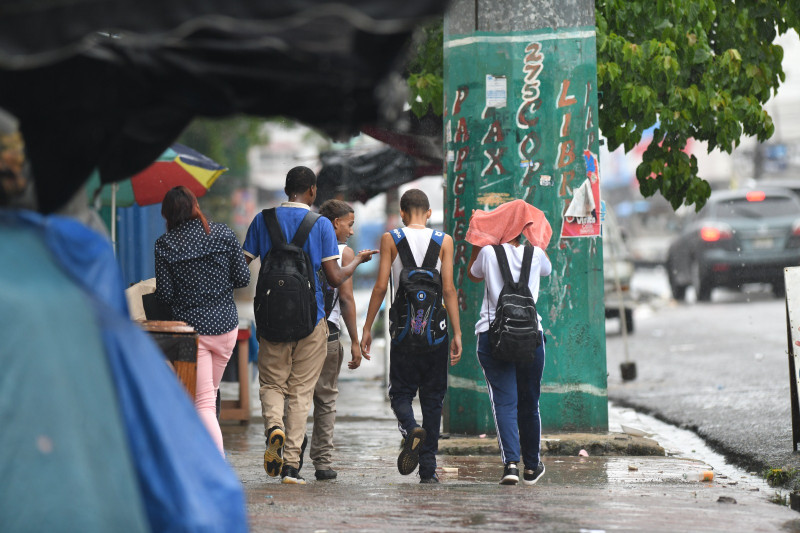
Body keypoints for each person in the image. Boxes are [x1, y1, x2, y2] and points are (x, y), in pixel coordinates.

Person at [243, 166, 376, 485]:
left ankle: (274, 426)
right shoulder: (320, 226)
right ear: (313, 192)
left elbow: (241, 265)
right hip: (311, 319)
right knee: (302, 393)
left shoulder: (263, 220)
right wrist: (355, 261)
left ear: (286, 188)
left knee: (272, 384)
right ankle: (291, 466)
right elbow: (334, 278)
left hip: (271, 318)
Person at [361, 188, 462, 483]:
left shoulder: (391, 239)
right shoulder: (444, 241)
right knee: (433, 398)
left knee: (400, 393)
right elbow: (449, 290)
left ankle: (409, 427)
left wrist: (366, 328)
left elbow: (380, 287)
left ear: (402, 214)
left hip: (404, 333)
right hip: (436, 335)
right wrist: (457, 333)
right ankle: (428, 472)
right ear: (429, 213)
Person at [154, 185, 251, 456]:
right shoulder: (222, 233)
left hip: (192, 333)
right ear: (195, 205)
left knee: (204, 402)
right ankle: (202, 457)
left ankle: (215, 468)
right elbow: (243, 278)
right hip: (226, 328)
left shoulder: (165, 244)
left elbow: (164, 295)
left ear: (168, 215)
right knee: (210, 394)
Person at [467, 231, 551, 486]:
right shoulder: (535, 254)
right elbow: (547, 270)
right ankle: (532, 467)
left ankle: (511, 465)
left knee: (504, 403)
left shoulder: (487, 252)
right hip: (530, 337)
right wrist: (536, 237)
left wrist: (478, 238)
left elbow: (473, 273)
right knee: (530, 402)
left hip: (493, 337)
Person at [298, 199, 367, 481]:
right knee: (325, 399)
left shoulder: (305, 243)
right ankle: (322, 462)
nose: (351, 231)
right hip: (329, 333)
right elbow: (347, 299)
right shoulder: (342, 251)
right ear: (336, 222)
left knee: (298, 394)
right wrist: (355, 340)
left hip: (300, 332)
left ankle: (292, 452)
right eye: (349, 224)